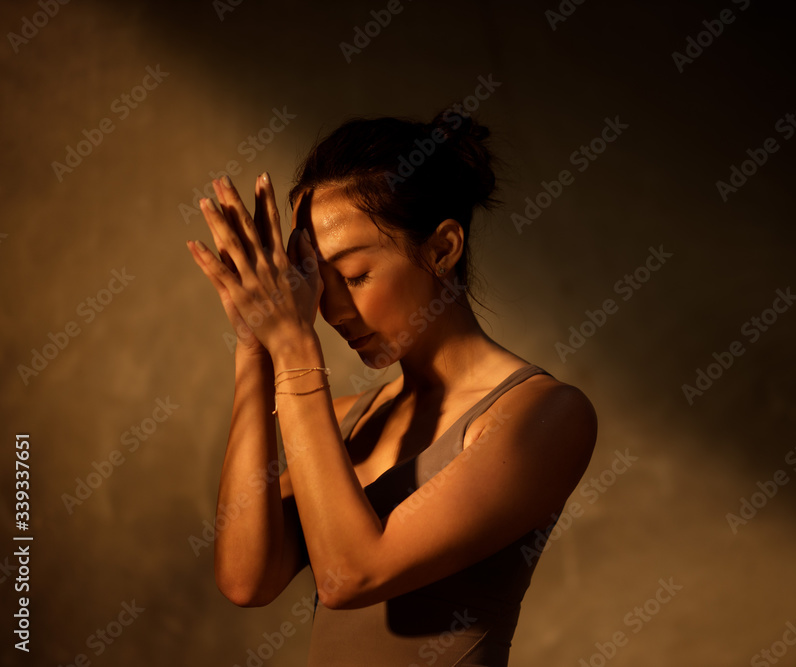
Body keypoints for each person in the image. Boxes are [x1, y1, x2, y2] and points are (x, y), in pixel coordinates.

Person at [185, 108, 598, 666]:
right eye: (317, 281)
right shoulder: (345, 418)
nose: (330, 310)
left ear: (442, 249)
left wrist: (295, 354)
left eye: (354, 276)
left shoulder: (545, 414)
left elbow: (349, 576)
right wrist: (256, 348)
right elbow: (245, 580)